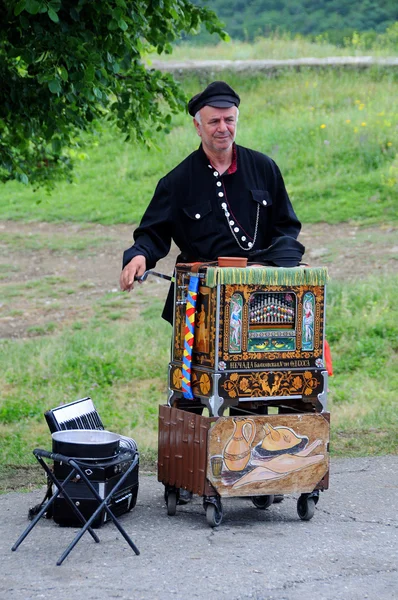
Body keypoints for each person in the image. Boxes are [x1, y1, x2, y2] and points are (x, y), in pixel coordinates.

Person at [120, 80, 304, 323]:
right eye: (214, 121)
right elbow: (152, 233)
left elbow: (286, 226)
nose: (223, 128)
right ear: (198, 126)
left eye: (229, 120)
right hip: (201, 302)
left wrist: (273, 264)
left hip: (263, 298)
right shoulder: (176, 182)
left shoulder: (264, 168)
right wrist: (138, 256)